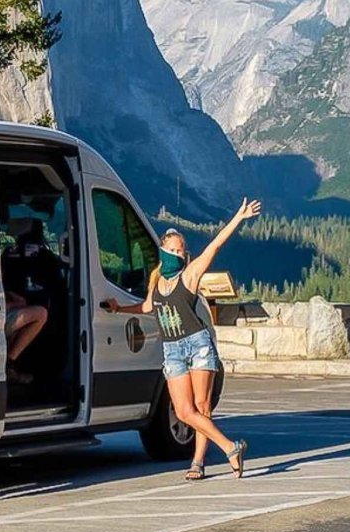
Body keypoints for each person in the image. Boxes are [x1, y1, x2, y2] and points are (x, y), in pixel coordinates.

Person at [103, 197, 262, 481]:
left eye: (182, 250)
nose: (178, 254)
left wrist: (239, 217)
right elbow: (148, 307)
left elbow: (214, 246)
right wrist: (119, 309)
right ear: (162, 249)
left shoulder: (188, 276)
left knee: (201, 407)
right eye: (173, 249)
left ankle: (198, 461)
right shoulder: (157, 280)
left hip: (197, 344)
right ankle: (231, 447)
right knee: (183, 410)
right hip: (172, 350)